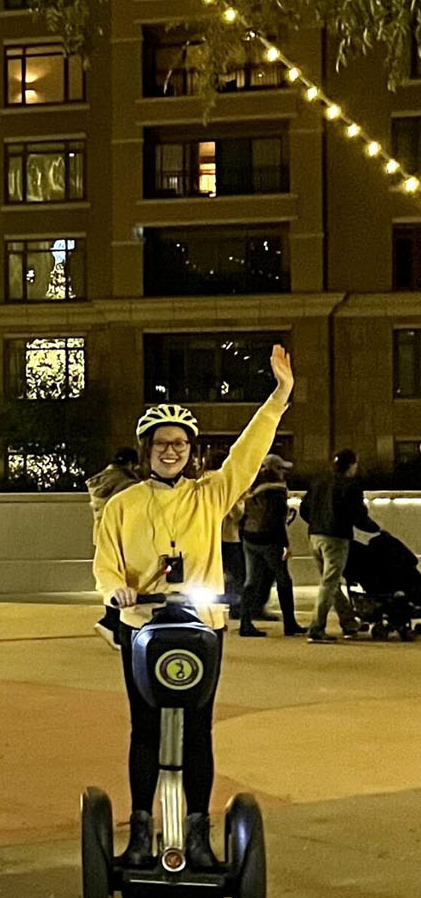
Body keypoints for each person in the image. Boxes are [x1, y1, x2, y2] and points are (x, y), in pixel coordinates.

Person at [94, 346, 293, 869]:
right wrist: (117, 590)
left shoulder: (210, 494)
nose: (171, 451)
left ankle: (199, 835)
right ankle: (140, 831)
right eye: (161, 443)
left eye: (180, 443)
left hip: (201, 626)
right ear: (146, 449)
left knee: (199, 729)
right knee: (145, 728)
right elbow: (104, 562)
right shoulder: (123, 505)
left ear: (192, 450)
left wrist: (279, 397)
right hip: (142, 627)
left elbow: (247, 455)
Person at [303, 449, 373, 644]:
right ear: (351, 465)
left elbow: (304, 509)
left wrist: (316, 522)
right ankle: (316, 628)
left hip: (315, 536)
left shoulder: (318, 482)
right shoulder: (350, 486)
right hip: (336, 538)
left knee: (330, 582)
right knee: (329, 583)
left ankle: (349, 622)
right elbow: (358, 515)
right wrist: (376, 529)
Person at [237, 454, 299, 638]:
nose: (284, 473)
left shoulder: (252, 487)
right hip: (270, 539)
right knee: (284, 580)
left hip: (250, 538)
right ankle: (290, 624)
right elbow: (277, 521)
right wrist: (285, 545)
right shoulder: (277, 491)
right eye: (281, 469)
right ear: (274, 470)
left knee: (250, 582)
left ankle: (245, 623)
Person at [87, 449, 138, 529]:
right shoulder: (127, 484)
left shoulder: (98, 481)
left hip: (100, 532)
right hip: (120, 531)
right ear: (130, 464)